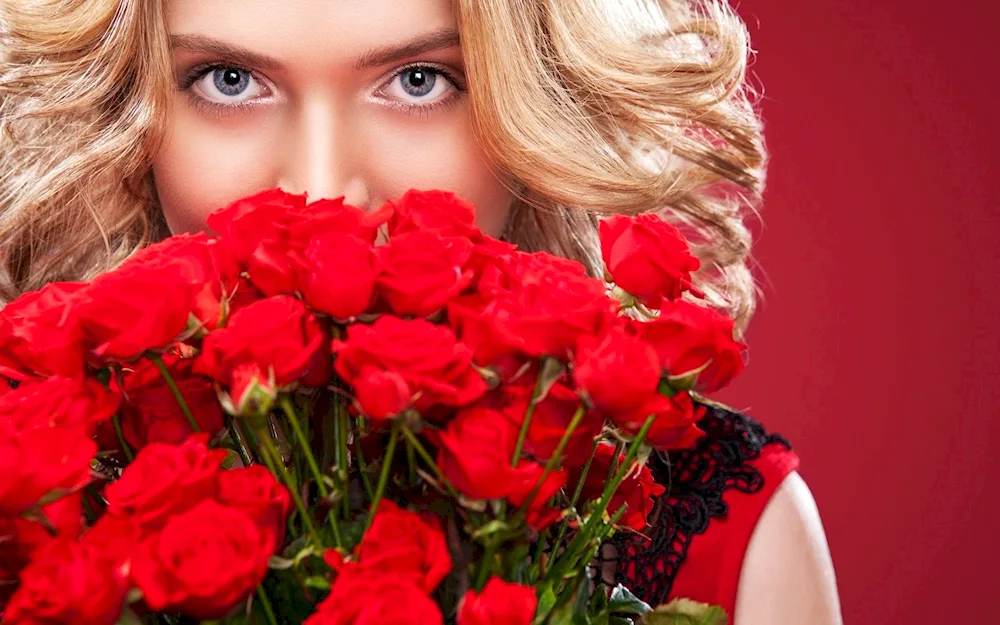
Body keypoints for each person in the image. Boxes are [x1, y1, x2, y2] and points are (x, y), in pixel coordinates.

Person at [0, 0, 843, 623]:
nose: (327, 189)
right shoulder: (25, 515)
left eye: (416, 80)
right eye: (229, 81)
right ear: (131, 112)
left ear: (529, 108)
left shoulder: (726, 538)